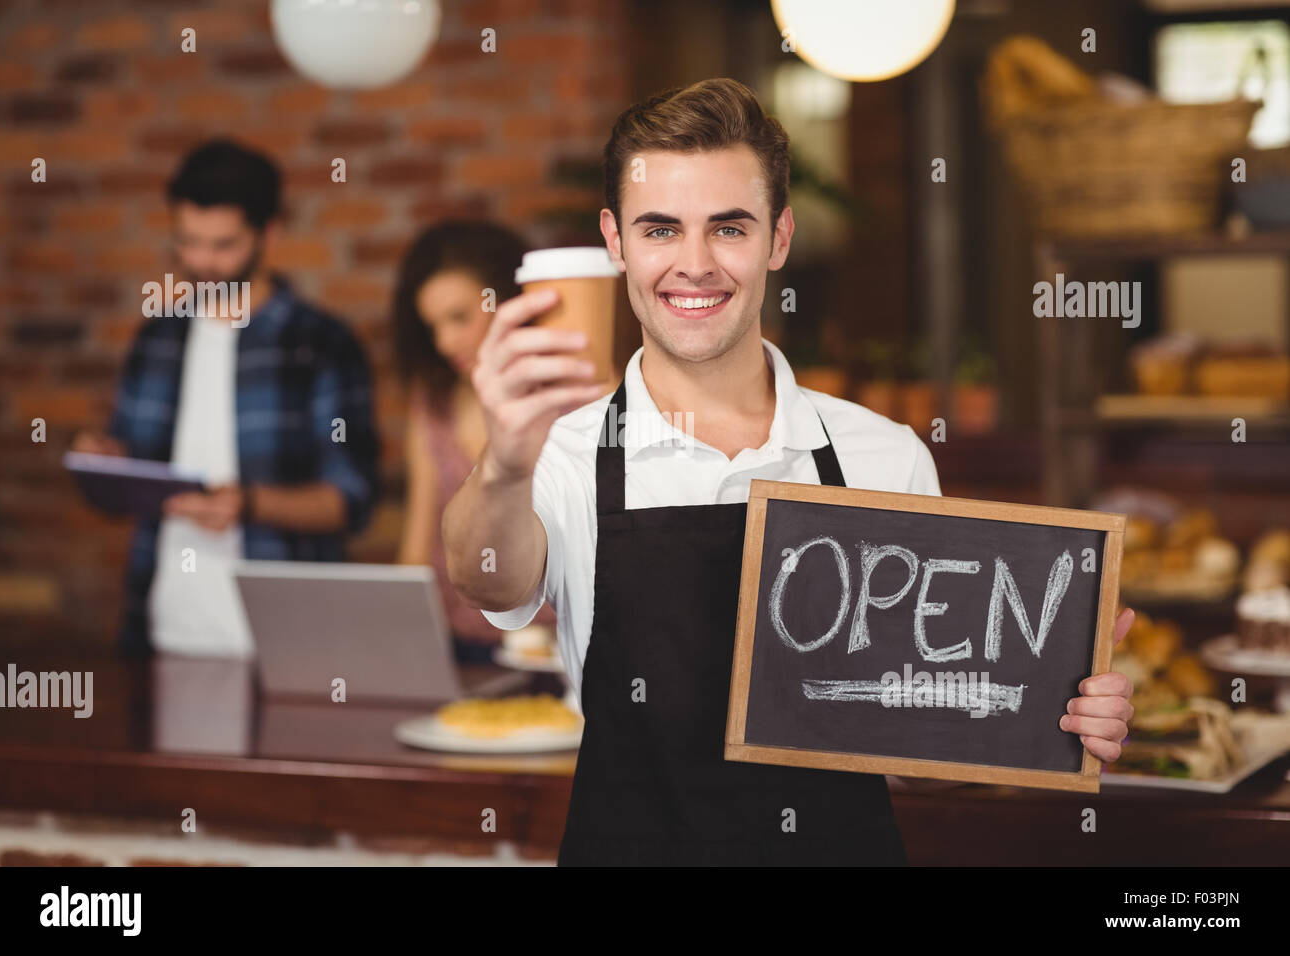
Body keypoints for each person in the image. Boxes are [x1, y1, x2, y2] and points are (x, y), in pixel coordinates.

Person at [442, 77, 1135, 866]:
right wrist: (501, 459)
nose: (694, 265)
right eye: (661, 229)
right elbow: (485, 578)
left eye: (729, 228)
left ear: (778, 238)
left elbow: (922, 766)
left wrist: (1048, 714)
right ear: (616, 241)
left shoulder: (884, 455)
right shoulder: (558, 450)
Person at [73, 138, 380, 658]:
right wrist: (103, 467)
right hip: (160, 632)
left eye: (224, 245)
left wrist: (250, 505)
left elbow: (352, 499)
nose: (203, 262)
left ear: (269, 233)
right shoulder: (156, 339)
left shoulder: (321, 343)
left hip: (287, 644)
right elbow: (122, 493)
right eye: (188, 242)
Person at [391, 221, 555, 663]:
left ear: (510, 301)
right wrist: (406, 644)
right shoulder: (434, 400)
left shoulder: (566, 394)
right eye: (433, 327)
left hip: (551, 651)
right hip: (454, 646)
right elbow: (417, 542)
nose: (444, 342)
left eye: (459, 318)